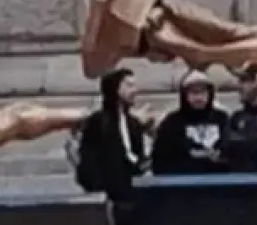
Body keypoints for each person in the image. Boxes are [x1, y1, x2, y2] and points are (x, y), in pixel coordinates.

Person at [74, 68, 148, 200]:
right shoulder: (98, 122)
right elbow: (89, 159)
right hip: (106, 194)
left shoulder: (133, 123)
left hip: (131, 193)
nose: (135, 90)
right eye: (129, 85)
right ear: (115, 89)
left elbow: (138, 156)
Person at [151, 69, 230, 176]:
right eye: (194, 92)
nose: (199, 97)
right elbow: (160, 161)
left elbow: (231, 156)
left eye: (202, 92)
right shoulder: (171, 123)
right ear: (184, 95)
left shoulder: (222, 119)